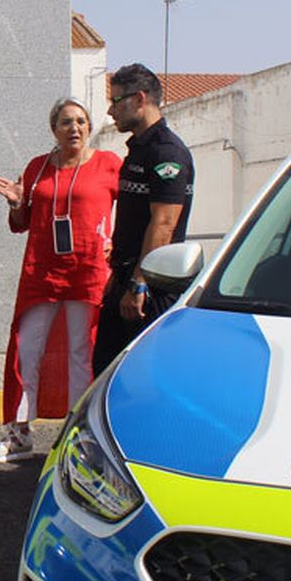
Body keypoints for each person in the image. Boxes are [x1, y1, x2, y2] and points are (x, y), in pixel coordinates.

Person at [0, 99, 120, 463]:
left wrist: (118, 246)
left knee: (81, 352)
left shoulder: (109, 164)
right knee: (27, 349)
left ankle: (77, 437)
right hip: (41, 271)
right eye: (65, 122)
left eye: (80, 121)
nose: (73, 128)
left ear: (89, 126)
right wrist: (15, 202)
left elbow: (135, 211)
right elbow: (21, 222)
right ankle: (18, 433)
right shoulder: (38, 166)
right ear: (53, 129)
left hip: (88, 271)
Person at [91, 63, 195, 376]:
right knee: (107, 374)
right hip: (126, 280)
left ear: (139, 100)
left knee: (140, 378)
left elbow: (163, 223)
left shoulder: (166, 153)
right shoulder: (139, 149)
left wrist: (139, 283)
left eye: (116, 101)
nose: (111, 111)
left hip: (150, 290)